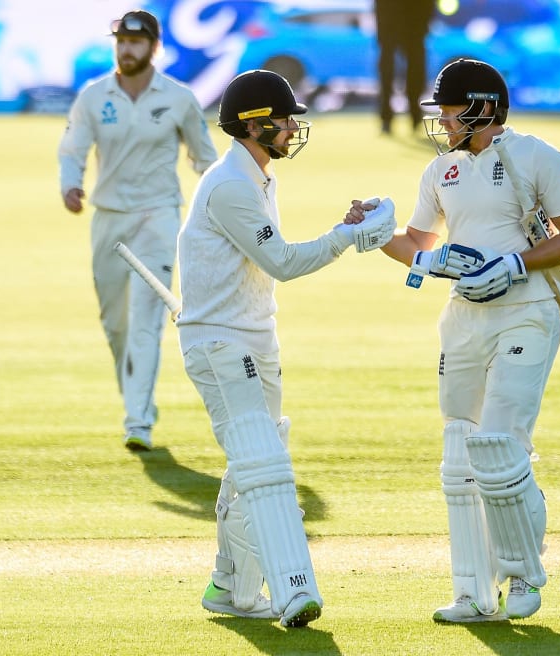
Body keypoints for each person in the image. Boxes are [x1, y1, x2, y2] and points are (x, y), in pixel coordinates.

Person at [358, 58, 560, 622]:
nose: (441, 121)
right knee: (461, 454)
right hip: (462, 319)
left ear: (482, 107)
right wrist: (372, 234)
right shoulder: (441, 171)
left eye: (448, 110)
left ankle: (523, 577)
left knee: (502, 447)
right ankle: (472, 591)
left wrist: (514, 263)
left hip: (526, 314)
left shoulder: (536, 155)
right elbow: (418, 242)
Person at [176, 69, 396, 627]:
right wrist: (347, 239)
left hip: (252, 335)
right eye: (286, 117)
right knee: (263, 465)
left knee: (251, 464)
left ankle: (230, 588)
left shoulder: (259, 177)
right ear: (255, 124)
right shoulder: (230, 186)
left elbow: (275, 257)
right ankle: (293, 589)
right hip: (223, 343)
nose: (295, 126)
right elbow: (285, 263)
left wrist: (339, 231)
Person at [58, 10, 218, 452]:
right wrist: (71, 184)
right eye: (121, 42)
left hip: (158, 216)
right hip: (109, 218)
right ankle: (138, 398)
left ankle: (138, 421)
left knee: (147, 316)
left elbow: (205, 159)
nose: (126, 49)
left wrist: (229, 201)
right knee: (116, 324)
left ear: (154, 46)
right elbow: (72, 149)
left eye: (136, 42)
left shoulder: (179, 98)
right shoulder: (93, 96)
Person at [374, 0, 434, 134]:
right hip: (399, 20)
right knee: (391, 68)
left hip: (410, 21)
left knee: (411, 68)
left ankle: (411, 114)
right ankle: (394, 116)